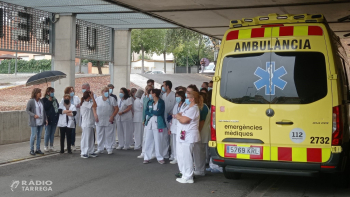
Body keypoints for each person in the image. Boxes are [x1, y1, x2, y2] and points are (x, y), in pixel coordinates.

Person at [175, 91, 201, 183]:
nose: (186, 98)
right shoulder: (187, 107)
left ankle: (188, 176)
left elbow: (184, 120)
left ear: (192, 99)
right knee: (184, 155)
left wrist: (179, 117)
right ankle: (186, 174)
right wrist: (179, 116)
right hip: (184, 134)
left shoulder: (194, 108)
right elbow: (179, 115)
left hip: (189, 135)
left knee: (187, 156)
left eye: (187, 97)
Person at [143, 89, 167, 164]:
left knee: (158, 141)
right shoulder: (150, 102)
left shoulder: (161, 102)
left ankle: (160, 157)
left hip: (158, 123)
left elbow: (159, 112)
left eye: (151, 93)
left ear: (154, 94)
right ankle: (147, 157)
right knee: (148, 141)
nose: (150, 95)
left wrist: (152, 112)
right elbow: (146, 111)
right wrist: (153, 112)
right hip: (150, 122)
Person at [94, 87, 119, 155]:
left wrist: (112, 116)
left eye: (107, 91)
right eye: (105, 91)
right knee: (99, 134)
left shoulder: (112, 99)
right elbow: (94, 107)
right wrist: (95, 115)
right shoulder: (98, 99)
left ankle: (109, 148)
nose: (106, 92)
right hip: (99, 119)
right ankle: (100, 148)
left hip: (109, 119)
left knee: (109, 134)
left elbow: (116, 108)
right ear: (102, 92)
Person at [26, 88, 47, 156]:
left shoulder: (41, 101)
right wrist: (34, 115)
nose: (40, 94)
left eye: (40, 92)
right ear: (35, 94)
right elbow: (27, 110)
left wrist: (45, 119)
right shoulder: (31, 101)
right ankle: (31, 149)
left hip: (41, 121)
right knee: (33, 135)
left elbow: (44, 111)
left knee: (39, 136)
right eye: (39, 92)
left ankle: (38, 149)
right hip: (34, 121)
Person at [193, 92, 210, 176]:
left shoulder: (203, 107)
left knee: (199, 152)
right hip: (201, 132)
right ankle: (199, 168)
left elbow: (202, 122)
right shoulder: (202, 106)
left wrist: (197, 133)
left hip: (201, 132)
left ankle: (200, 170)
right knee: (199, 152)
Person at [60, 86, 80, 151]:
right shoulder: (63, 100)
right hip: (64, 119)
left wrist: (67, 112)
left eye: (73, 91)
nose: (72, 92)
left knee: (72, 132)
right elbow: (60, 110)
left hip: (72, 118)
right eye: (70, 91)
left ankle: (72, 144)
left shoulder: (76, 98)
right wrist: (68, 112)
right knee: (65, 134)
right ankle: (66, 146)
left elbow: (74, 111)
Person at [169, 91, 186, 164]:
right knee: (174, 143)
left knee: (180, 143)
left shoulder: (184, 105)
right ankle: (175, 156)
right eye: (176, 96)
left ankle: (178, 158)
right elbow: (173, 115)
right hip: (174, 126)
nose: (176, 98)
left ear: (182, 97)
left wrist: (176, 116)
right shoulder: (176, 105)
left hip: (181, 127)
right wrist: (170, 128)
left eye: (178, 96)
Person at [137, 85, 155, 159]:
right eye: (147, 89)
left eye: (150, 89)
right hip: (146, 118)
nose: (148, 91)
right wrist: (143, 119)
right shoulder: (144, 98)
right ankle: (144, 152)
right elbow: (144, 110)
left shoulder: (154, 99)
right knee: (145, 137)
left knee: (152, 137)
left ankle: (152, 153)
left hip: (153, 118)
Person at [80, 90, 98, 159]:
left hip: (90, 123)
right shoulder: (85, 104)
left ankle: (91, 151)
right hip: (86, 123)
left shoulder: (88, 103)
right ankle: (84, 152)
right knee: (86, 138)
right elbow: (95, 105)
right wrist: (93, 97)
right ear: (88, 96)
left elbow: (95, 106)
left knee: (91, 138)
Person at [162, 80, 176, 159]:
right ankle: (165, 153)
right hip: (164, 117)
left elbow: (174, 106)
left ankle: (173, 154)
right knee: (165, 137)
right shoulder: (163, 95)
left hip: (171, 118)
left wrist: (171, 115)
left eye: (164, 85)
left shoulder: (173, 95)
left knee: (172, 138)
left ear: (168, 86)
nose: (163, 87)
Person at [42, 87, 59, 152]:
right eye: (51, 92)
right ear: (47, 92)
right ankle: (46, 146)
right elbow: (45, 108)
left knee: (52, 133)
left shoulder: (55, 99)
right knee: (47, 132)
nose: (52, 93)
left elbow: (57, 107)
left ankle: (51, 145)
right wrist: (49, 101)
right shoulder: (44, 99)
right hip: (48, 119)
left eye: (53, 92)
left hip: (54, 118)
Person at [107, 84, 118, 148]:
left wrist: (113, 115)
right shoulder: (103, 97)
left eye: (112, 89)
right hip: (105, 116)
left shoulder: (114, 97)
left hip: (112, 114)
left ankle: (112, 143)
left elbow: (115, 107)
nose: (111, 90)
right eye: (110, 88)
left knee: (112, 130)